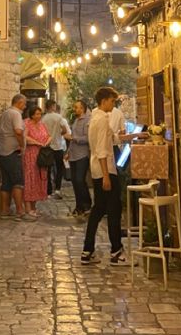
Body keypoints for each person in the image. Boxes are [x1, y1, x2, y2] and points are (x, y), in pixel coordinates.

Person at [81, 86, 126, 266]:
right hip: (105, 170)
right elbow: (101, 150)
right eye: (112, 101)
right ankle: (116, 252)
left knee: (98, 210)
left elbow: (111, 139)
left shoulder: (97, 118)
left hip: (100, 170)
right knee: (114, 210)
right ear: (104, 100)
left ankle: (87, 250)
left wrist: (135, 135)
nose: (113, 105)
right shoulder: (100, 120)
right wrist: (106, 177)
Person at [0, 93, 27, 220]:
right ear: (19, 103)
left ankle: (5, 210)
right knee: (17, 182)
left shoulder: (5, 113)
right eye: (24, 104)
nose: (25, 107)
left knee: (6, 183)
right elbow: (18, 131)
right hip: (12, 152)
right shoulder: (16, 114)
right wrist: (21, 145)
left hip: (2, 151)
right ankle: (20, 211)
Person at [22, 105, 51, 218]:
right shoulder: (26, 123)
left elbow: (48, 136)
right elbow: (25, 138)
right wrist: (36, 142)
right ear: (32, 114)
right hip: (30, 155)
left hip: (41, 155)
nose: (39, 116)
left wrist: (47, 141)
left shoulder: (42, 124)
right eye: (37, 114)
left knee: (39, 179)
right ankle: (28, 208)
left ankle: (34, 207)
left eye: (40, 114)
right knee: (30, 179)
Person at [67, 100, 92, 216]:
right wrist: (68, 152)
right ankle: (79, 206)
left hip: (82, 155)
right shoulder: (76, 120)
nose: (75, 109)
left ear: (82, 108)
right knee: (75, 181)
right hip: (73, 155)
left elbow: (87, 138)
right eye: (74, 107)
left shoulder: (87, 120)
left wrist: (73, 138)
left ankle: (87, 204)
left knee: (80, 180)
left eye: (77, 107)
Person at [41, 100, 70, 198]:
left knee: (48, 169)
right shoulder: (59, 117)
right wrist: (59, 134)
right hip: (58, 146)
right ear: (53, 106)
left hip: (48, 146)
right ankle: (57, 189)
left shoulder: (43, 118)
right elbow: (65, 130)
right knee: (59, 168)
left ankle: (48, 191)